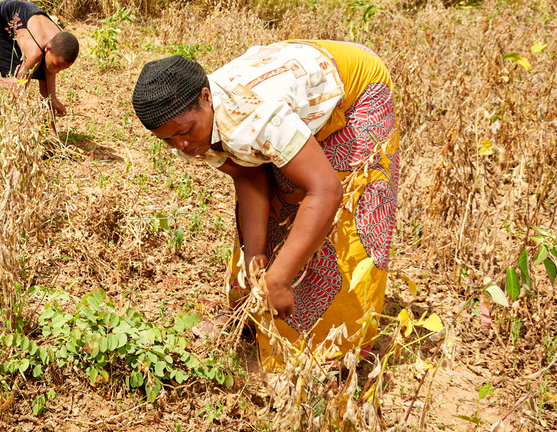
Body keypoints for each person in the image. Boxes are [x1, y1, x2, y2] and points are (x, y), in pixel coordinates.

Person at [131, 41, 399, 363]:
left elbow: (326, 191)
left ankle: (332, 353)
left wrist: (281, 276)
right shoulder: (193, 127)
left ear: (206, 98)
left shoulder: (253, 117)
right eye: (167, 139)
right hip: (283, 98)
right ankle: (251, 318)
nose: (182, 145)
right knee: (280, 206)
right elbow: (249, 175)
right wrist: (255, 254)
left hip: (354, 88)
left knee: (340, 224)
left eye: (186, 132)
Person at [0, 0, 79, 129]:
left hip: (27, 24)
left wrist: (53, 98)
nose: (56, 71)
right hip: (2, 19)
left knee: (44, 78)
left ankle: (52, 132)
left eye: (61, 69)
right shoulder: (35, 53)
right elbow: (19, 87)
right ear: (47, 49)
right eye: (56, 65)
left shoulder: (58, 42)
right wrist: (21, 122)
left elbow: (48, 85)